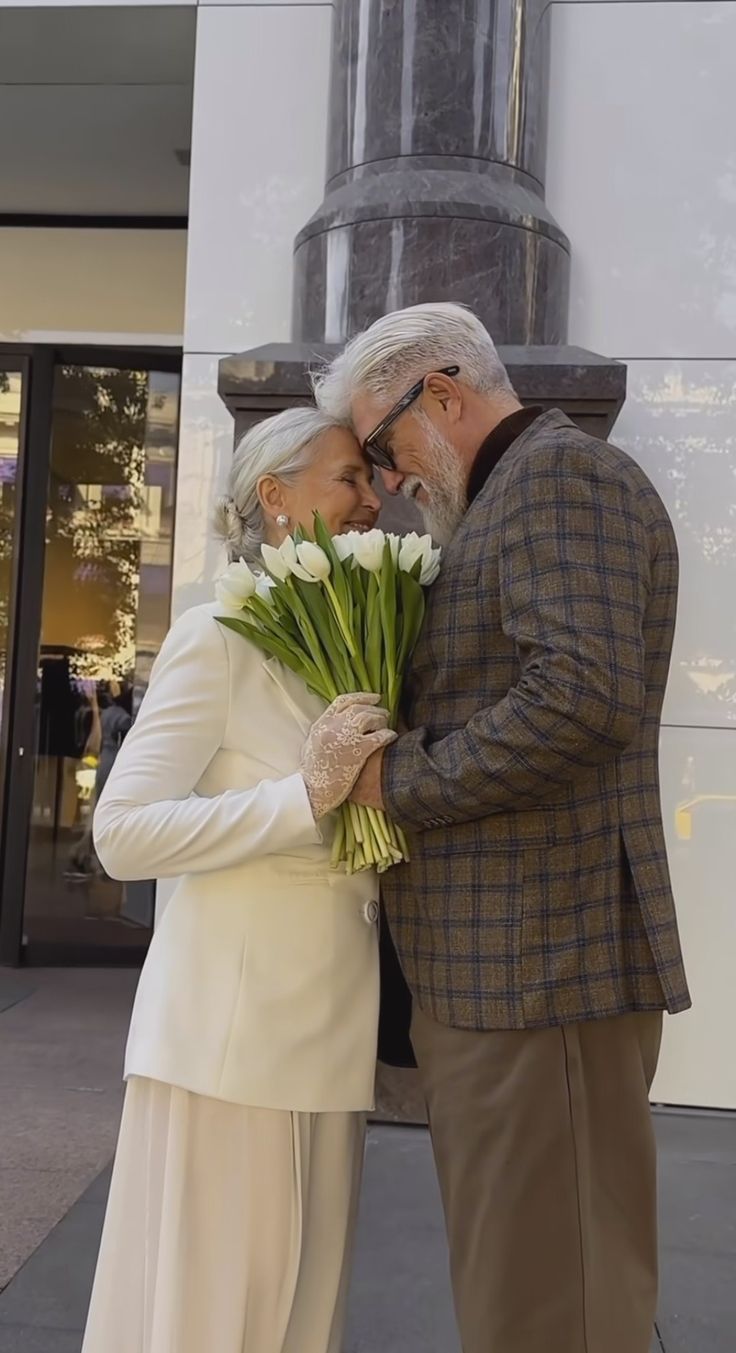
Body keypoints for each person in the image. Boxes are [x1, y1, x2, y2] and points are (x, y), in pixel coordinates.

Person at [313, 302, 691, 1353]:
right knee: (527, 1286)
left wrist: (397, 781)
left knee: (549, 1302)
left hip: (543, 974)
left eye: (384, 450)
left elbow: (577, 697)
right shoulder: (514, 495)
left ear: (442, 393)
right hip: (509, 977)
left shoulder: (558, 480)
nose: (389, 483)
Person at [81, 407, 392, 1353]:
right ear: (275, 497)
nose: (372, 497)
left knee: (304, 1317)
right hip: (229, 1045)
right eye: (348, 476)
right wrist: (304, 796)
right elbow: (122, 834)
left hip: (330, 1037)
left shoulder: (349, 632)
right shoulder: (219, 632)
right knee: (216, 1318)